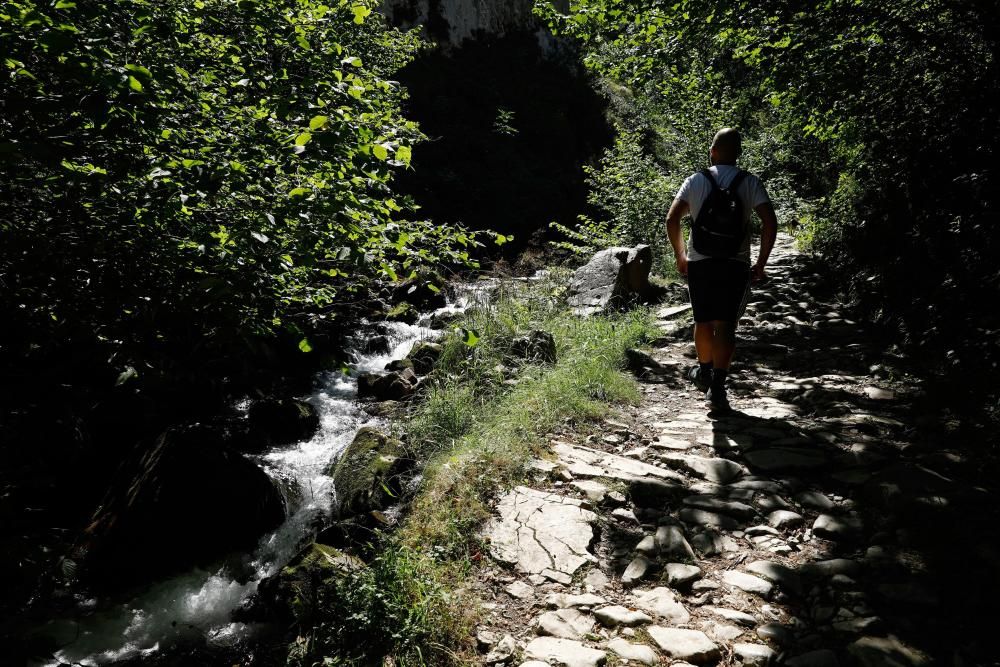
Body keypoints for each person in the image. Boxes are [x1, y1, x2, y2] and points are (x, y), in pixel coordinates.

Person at [665, 128, 778, 411]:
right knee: (726, 324)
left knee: (703, 320)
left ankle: (703, 371)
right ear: (738, 154)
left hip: (700, 261)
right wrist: (761, 263)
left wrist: (681, 255)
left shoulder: (696, 180)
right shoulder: (749, 182)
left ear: (712, 151)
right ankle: (717, 387)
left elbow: (672, 219)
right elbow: (770, 223)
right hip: (734, 263)